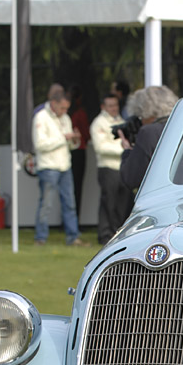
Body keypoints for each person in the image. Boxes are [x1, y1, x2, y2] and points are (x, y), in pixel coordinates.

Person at [32, 83, 84, 246]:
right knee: (46, 204)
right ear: (53, 104)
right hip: (48, 166)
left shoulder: (65, 118)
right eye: (62, 108)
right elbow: (40, 145)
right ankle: (40, 237)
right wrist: (64, 138)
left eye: (66, 108)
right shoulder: (41, 117)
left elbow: (68, 145)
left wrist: (74, 140)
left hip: (64, 165)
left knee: (70, 203)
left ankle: (72, 236)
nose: (64, 111)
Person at [118, 85, 179, 193]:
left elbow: (130, 179)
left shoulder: (149, 132)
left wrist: (127, 150)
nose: (140, 121)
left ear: (146, 111)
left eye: (140, 116)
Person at [90, 93, 133, 244]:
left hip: (121, 168)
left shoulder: (121, 120)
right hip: (107, 168)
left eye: (115, 105)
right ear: (103, 107)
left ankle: (117, 234)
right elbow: (100, 147)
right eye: (110, 106)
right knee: (109, 203)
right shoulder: (99, 123)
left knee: (122, 203)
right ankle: (104, 235)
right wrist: (124, 149)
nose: (114, 108)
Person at [68, 85, 91, 226]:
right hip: (79, 150)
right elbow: (85, 132)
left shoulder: (67, 114)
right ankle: (75, 220)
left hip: (69, 151)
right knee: (77, 186)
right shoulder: (80, 113)